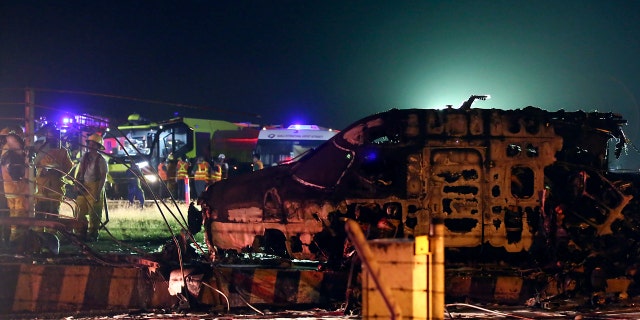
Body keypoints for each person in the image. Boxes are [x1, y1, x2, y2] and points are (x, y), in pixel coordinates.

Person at [34, 127, 74, 221]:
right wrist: (40, 171)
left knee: (53, 213)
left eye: (53, 137)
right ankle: (39, 234)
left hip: (55, 186)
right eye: (49, 136)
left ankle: (51, 233)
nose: (51, 139)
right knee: (40, 213)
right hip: (41, 187)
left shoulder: (62, 151)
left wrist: (58, 173)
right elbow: (33, 164)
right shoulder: (40, 150)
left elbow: (68, 166)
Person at [75, 133, 108, 241]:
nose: (91, 146)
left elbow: (103, 177)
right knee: (79, 210)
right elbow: (80, 172)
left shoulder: (101, 160)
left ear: (98, 146)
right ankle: (81, 232)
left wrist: (98, 192)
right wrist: (77, 184)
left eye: (94, 144)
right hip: (84, 185)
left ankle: (93, 234)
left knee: (94, 212)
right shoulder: (84, 157)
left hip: (95, 186)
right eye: (90, 143)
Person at [0, 127, 29, 243]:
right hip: (18, 189)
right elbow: (16, 172)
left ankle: (9, 237)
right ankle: (17, 240)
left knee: (12, 214)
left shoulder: (5, 152)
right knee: (20, 214)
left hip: (8, 189)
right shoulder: (12, 154)